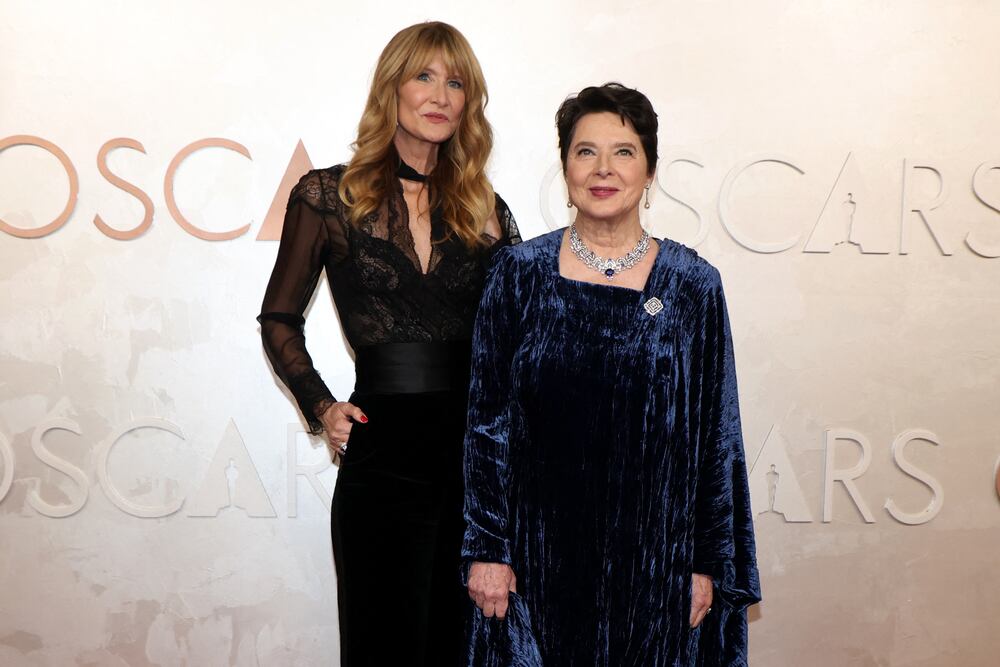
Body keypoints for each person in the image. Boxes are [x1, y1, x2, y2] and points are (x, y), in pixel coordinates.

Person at [463, 83, 759, 666]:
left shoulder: (693, 285)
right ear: (565, 165)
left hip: (656, 568)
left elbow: (716, 439)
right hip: (534, 563)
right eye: (585, 151)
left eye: (623, 152)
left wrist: (708, 563)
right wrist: (486, 548)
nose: (603, 169)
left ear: (650, 170)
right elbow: (486, 425)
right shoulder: (516, 275)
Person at [257, 22, 519, 667]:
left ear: (469, 104)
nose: (440, 95)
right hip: (382, 457)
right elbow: (278, 318)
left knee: (465, 649)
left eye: (456, 82)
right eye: (424, 76)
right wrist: (322, 408)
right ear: (392, 89)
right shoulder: (330, 196)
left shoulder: (486, 209)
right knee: (383, 644)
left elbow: (518, 345)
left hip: (472, 461)